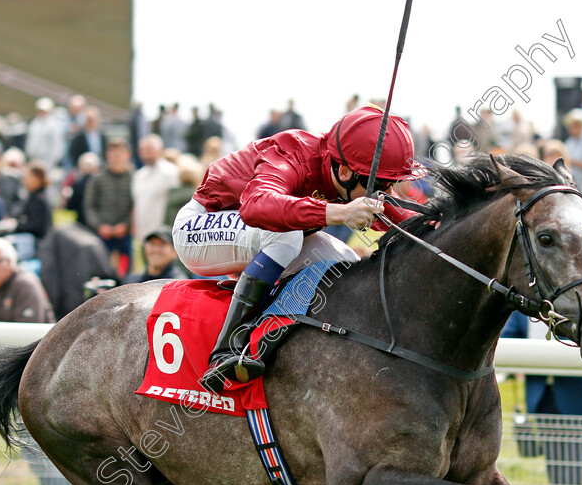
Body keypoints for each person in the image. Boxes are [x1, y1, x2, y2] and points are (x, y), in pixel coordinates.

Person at [172, 105, 423, 390]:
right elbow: (256, 206)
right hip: (198, 227)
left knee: (346, 261)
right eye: (379, 185)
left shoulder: (350, 173)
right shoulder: (291, 152)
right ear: (343, 171)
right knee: (287, 236)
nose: (385, 195)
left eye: (390, 185)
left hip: (255, 235)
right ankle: (225, 352)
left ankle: (283, 339)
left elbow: (407, 221)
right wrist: (337, 213)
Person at [0, 238, 83, 485]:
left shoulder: (25, 284)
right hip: (13, 382)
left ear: (10, 263)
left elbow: (24, 342)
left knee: (48, 453)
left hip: (40, 381)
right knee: (34, 455)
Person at [502, 312, 582, 485]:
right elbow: (507, 338)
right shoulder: (522, 305)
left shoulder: (580, 294)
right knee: (557, 476)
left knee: (575, 478)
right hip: (542, 398)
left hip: (579, 399)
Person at [83, 137, 134, 278]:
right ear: (107, 155)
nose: (116, 157)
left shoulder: (134, 177)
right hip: (103, 233)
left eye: (119, 153)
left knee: (126, 271)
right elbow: (89, 205)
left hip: (124, 233)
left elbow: (136, 205)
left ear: (127, 155)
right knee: (101, 269)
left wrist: (126, 224)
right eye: (113, 154)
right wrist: (99, 225)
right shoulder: (97, 178)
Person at [132, 134, 179, 242]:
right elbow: (136, 203)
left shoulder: (171, 172)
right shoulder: (139, 175)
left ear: (160, 150)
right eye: (143, 150)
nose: (146, 153)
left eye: (149, 149)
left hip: (163, 233)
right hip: (142, 233)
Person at [123, 228, 188, 284]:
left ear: (174, 251)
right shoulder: (132, 281)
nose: (156, 249)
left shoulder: (178, 284)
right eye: (152, 244)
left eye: (162, 245)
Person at [25, 97, 65, 170]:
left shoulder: (54, 126)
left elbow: (57, 145)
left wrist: (52, 162)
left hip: (46, 161)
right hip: (33, 159)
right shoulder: (35, 123)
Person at [64, 152, 100, 227]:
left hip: (82, 223)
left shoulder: (78, 184)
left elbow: (70, 206)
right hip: (98, 223)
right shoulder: (100, 183)